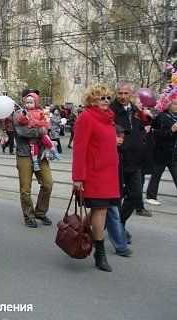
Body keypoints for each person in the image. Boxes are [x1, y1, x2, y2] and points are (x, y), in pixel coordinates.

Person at [72, 84, 120, 271]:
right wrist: (78, 177)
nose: (106, 100)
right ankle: (99, 253)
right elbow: (79, 149)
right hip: (93, 174)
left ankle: (77, 232)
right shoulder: (86, 117)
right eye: (102, 98)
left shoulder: (109, 119)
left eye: (108, 97)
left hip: (109, 173)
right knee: (101, 210)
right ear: (91, 100)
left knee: (102, 209)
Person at [109, 81, 146, 241]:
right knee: (115, 196)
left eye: (126, 93)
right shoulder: (110, 110)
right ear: (116, 93)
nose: (123, 97)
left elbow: (141, 129)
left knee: (136, 193)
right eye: (120, 93)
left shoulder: (135, 110)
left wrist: (142, 141)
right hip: (118, 159)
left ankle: (120, 222)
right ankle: (117, 229)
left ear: (132, 94)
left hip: (135, 159)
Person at [12, 88, 54, 228]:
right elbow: (23, 132)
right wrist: (41, 131)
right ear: (23, 99)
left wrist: (46, 128)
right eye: (27, 97)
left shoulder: (40, 113)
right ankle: (29, 216)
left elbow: (49, 128)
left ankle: (40, 212)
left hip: (40, 154)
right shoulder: (18, 114)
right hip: (24, 154)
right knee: (25, 189)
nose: (30, 100)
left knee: (48, 184)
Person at [105, 124, 133, 257]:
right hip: (107, 188)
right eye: (118, 136)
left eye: (122, 137)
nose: (121, 139)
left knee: (101, 214)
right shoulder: (107, 151)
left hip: (114, 188)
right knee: (113, 214)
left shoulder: (118, 151)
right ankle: (121, 245)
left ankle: (88, 234)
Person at [17, 93, 61, 171]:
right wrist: (23, 115)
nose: (28, 105)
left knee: (47, 140)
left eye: (31, 103)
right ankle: (35, 162)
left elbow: (44, 120)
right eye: (27, 103)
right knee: (34, 148)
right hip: (32, 134)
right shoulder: (24, 112)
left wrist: (45, 126)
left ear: (35, 103)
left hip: (41, 132)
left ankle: (54, 151)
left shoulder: (39, 112)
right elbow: (21, 121)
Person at [146, 100, 177, 204]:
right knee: (156, 174)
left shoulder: (174, 117)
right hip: (162, 152)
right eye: (175, 104)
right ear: (169, 105)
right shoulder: (162, 117)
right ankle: (151, 196)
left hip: (173, 152)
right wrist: (171, 130)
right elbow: (157, 135)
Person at [134, 97, 153, 217]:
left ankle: (138, 204)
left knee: (139, 183)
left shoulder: (145, 116)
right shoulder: (134, 116)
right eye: (139, 102)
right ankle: (139, 206)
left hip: (143, 156)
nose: (142, 104)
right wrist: (143, 132)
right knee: (136, 185)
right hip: (134, 157)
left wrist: (150, 115)